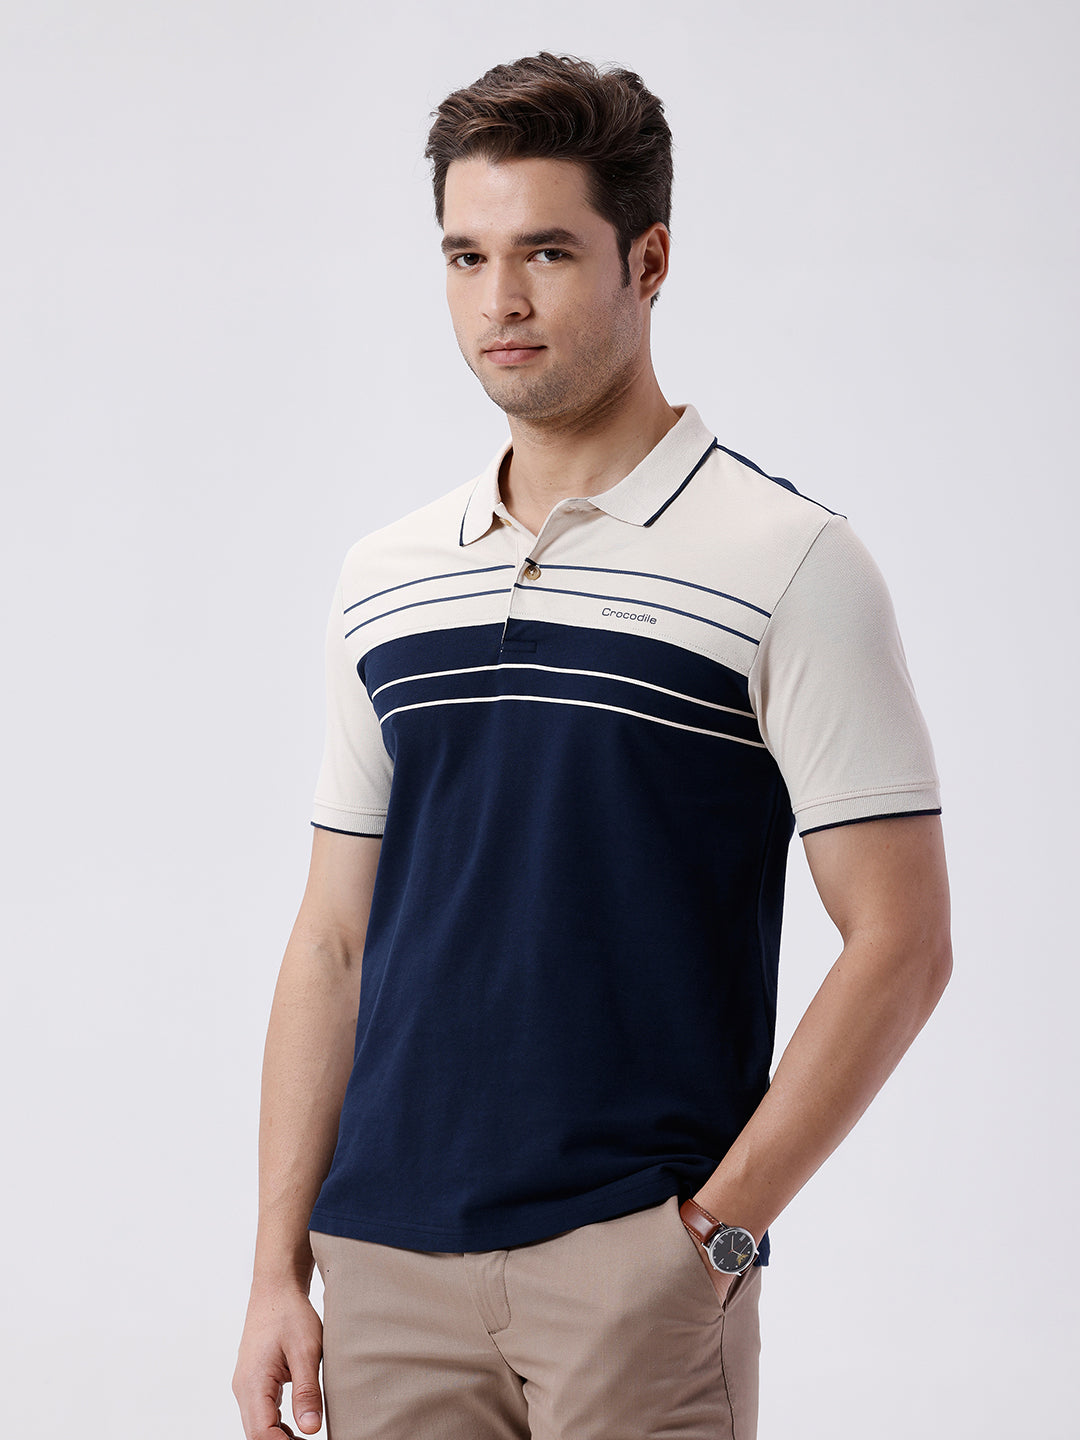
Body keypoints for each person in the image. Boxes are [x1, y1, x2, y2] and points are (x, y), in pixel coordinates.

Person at [232, 52, 952, 1440]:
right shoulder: (386, 576)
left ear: (649, 260)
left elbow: (904, 942)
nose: (499, 301)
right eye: (467, 255)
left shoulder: (789, 560)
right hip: (383, 1268)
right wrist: (278, 1268)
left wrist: (715, 1236)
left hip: (631, 1269)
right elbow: (330, 941)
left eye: (547, 252)